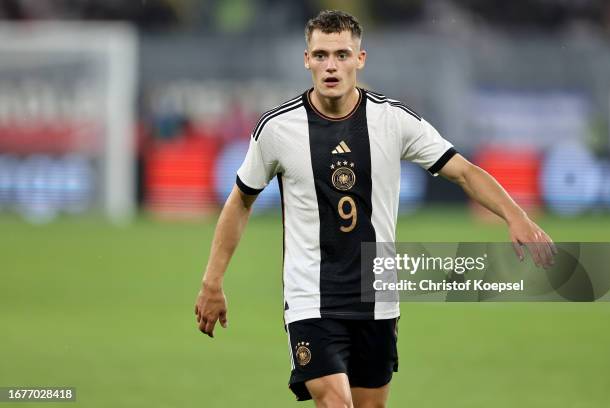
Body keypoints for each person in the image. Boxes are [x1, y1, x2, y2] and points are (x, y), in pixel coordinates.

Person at [194, 10, 556, 407]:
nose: (331, 65)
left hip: (377, 296)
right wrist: (212, 281)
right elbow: (240, 201)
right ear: (306, 60)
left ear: (360, 59)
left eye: (342, 54)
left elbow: (464, 172)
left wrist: (515, 216)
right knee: (337, 402)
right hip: (310, 298)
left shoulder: (393, 120)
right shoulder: (277, 129)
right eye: (321, 55)